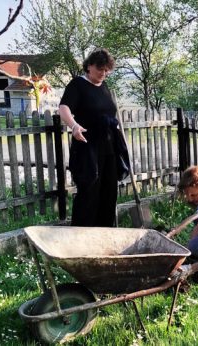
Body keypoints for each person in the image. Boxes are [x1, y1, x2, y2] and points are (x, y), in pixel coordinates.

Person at [59, 48, 129, 227]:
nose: (104, 73)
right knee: (89, 192)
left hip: (109, 149)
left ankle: (104, 234)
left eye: (107, 70)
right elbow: (64, 108)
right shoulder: (77, 85)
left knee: (108, 191)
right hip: (87, 148)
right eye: (100, 69)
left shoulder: (104, 87)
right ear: (89, 66)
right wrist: (74, 126)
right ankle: (81, 236)